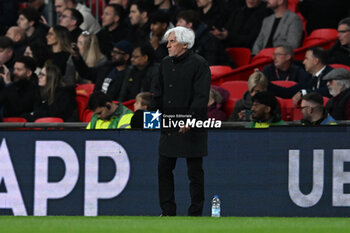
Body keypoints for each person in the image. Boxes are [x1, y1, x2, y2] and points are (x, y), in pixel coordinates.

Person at [150, 26, 211, 216]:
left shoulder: (199, 64)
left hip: (190, 125)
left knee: (194, 172)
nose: (167, 45)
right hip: (169, 123)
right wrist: (152, 118)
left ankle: (195, 212)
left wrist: (190, 120)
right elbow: (158, 94)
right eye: (168, 41)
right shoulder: (165, 63)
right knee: (164, 169)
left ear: (185, 44)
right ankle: (167, 211)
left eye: (172, 41)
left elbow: (201, 97)